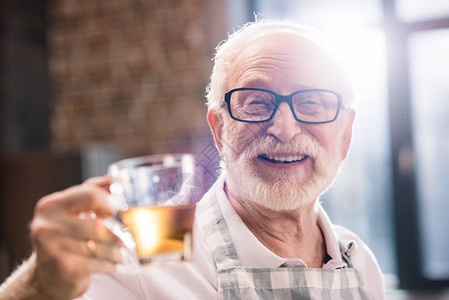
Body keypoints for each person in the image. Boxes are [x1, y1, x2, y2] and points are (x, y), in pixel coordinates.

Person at [0, 20, 385, 299]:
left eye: (311, 103)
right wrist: (35, 287)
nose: (284, 128)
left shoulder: (360, 263)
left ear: (345, 135)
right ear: (219, 131)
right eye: (256, 103)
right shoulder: (147, 258)